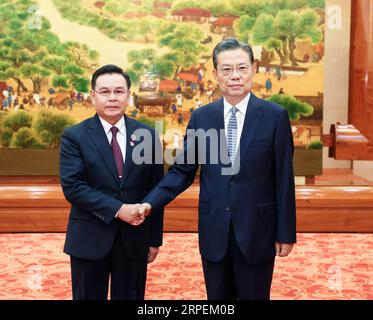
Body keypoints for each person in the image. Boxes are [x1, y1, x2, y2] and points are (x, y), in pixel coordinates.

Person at [139, 38, 296, 300]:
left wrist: (285, 232)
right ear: (215, 74)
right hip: (215, 230)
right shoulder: (203, 117)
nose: (235, 76)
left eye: (241, 68)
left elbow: (283, 179)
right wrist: (148, 204)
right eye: (226, 69)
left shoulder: (274, 116)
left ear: (253, 69)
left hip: (258, 229)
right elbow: (182, 170)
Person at [59, 64, 164, 300]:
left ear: (128, 95)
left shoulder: (147, 135)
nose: (112, 98)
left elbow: (156, 189)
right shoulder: (74, 136)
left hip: (134, 239)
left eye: (119, 91)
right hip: (89, 237)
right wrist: (118, 210)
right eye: (105, 92)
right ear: (93, 96)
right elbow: (74, 187)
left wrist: (154, 239)